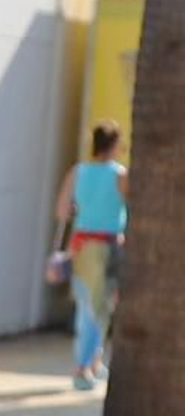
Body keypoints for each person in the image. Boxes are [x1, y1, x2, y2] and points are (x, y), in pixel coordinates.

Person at [55, 120, 129, 389]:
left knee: (87, 305)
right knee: (100, 308)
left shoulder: (79, 171)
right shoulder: (120, 175)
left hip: (80, 244)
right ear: (116, 146)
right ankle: (83, 368)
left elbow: (62, 211)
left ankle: (94, 361)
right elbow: (130, 208)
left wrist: (83, 208)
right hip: (108, 246)